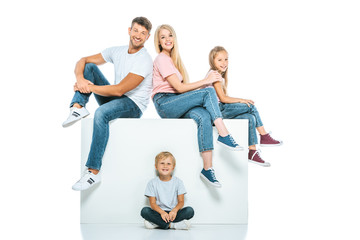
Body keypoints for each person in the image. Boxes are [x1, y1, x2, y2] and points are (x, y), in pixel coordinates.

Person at [63, 17, 153, 191]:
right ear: (129, 30)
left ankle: (93, 173)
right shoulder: (117, 51)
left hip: (133, 105)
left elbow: (119, 90)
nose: (138, 36)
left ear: (147, 37)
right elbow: (82, 60)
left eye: (143, 33)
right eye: (136, 31)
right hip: (117, 97)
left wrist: (89, 86)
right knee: (89, 68)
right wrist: (81, 80)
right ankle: (77, 108)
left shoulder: (144, 60)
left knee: (101, 113)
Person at [152, 24, 243, 188]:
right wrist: (206, 82)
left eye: (170, 35)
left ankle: (207, 169)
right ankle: (224, 134)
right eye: (163, 37)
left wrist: (202, 86)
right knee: (208, 91)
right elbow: (179, 88)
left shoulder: (173, 60)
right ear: (158, 42)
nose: (167, 39)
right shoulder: (162, 59)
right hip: (165, 102)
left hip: (176, 101)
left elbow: (181, 90)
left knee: (204, 116)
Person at [207, 46, 283, 167]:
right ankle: (264, 136)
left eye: (226, 59)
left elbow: (223, 98)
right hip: (217, 110)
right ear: (213, 61)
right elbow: (223, 99)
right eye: (220, 60)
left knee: (249, 117)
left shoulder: (219, 75)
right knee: (250, 106)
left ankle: (252, 152)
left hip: (221, 108)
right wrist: (242, 100)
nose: (224, 63)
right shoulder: (214, 74)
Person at [141, 152, 194, 230]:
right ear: (156, 166)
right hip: (159, 213)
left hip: (174, 213)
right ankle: (172, 225)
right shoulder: (152, 183)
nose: (165, 166)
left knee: (190, 211)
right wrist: (162, 212)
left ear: (173, 167)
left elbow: (181, 202)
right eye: (162, 163)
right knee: (144, 211)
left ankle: (157, 224)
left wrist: (174, 211)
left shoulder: (178, 182)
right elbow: (152, 203)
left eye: (168, 164)